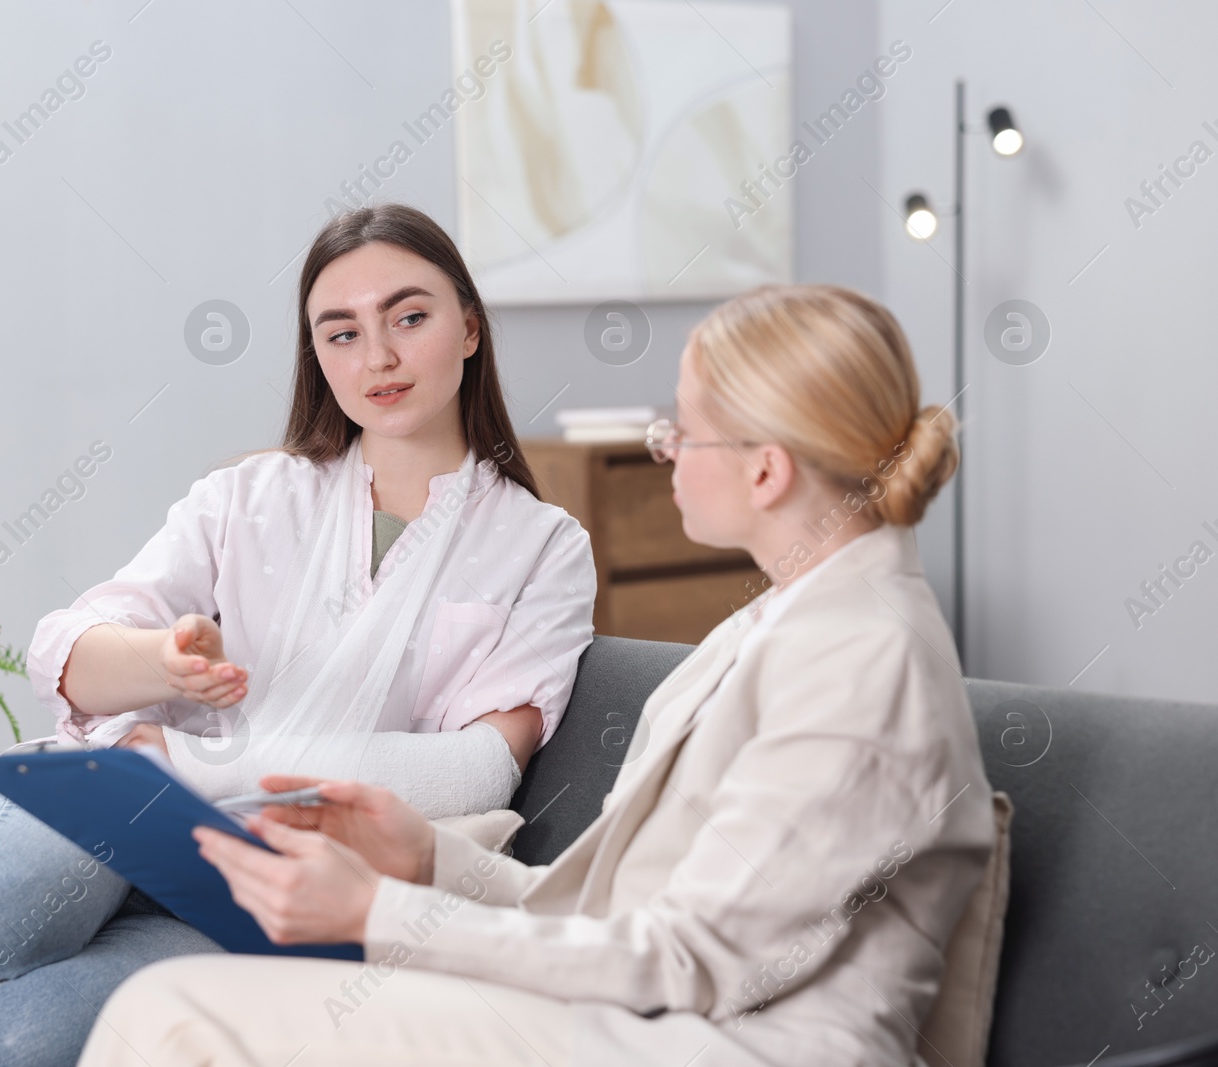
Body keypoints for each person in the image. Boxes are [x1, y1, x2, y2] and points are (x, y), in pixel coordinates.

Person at [0, 204, 596, 1067]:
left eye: (408, 317)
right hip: (115, 798)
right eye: (340, 332)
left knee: (28, 1035)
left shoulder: (540, 547)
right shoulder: (249, 498)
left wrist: (205, 767)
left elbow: (475, 771)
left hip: (270, 887)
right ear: (317, 356)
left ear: (468, 325)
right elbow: (73, 645)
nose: (377, 356)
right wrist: (159, 663)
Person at [76, 283, 997, 1067]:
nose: (663, 447)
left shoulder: (860, 660)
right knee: (177, 1002)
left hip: (732, 1045)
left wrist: (381, 910)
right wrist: (427, 861)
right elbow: (626, 918)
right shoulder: (784, 622)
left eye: (686, 428)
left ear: (765, 471)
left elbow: (690, 961)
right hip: (661, 1021)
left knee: (172, 1012)